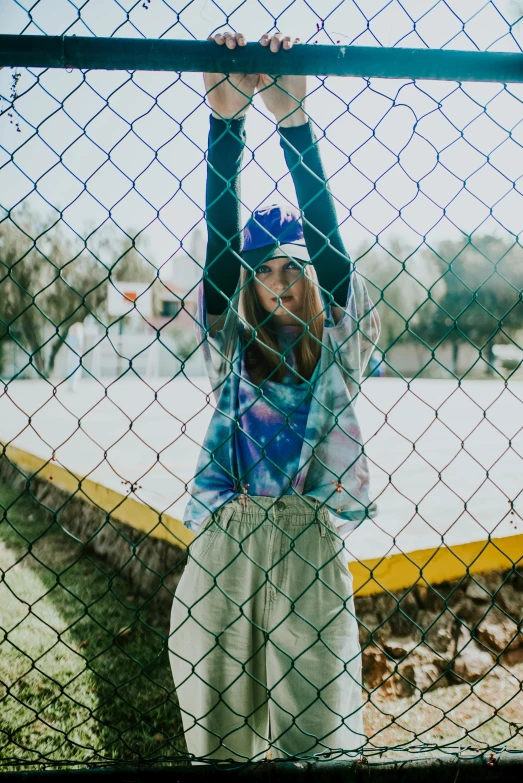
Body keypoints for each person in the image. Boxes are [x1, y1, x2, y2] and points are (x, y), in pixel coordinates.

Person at [169, 31, 380, 763]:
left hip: (308, 539)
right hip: (228, 530)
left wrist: (292, 119)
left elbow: (334, 252)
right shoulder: (231, 343)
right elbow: (219, 246)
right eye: (266, 270)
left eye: (294, 267)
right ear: (249, 281)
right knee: (220, 727)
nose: (282, 280)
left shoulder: (339, 347)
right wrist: (225, 119)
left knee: (315, 727)